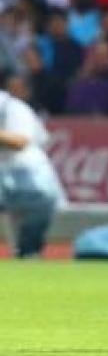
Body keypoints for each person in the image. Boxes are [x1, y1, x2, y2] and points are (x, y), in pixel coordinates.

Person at [0, 87, 62, 257]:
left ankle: (28, 252)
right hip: (9, 176)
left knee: (40, 204)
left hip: (28, 176)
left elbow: (20, 141)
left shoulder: (12, 107)